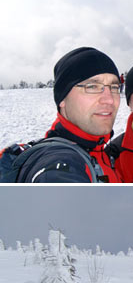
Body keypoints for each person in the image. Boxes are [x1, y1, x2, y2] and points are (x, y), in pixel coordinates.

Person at [17, 46, 122, 183]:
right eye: (92, 87)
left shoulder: (101, 151)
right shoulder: (58, 162)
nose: (109, 99)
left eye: (114, 87)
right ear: (62, 99)